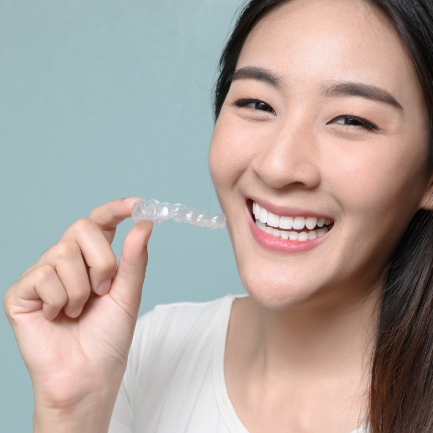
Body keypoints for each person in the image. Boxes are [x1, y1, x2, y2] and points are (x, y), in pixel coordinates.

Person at [4, 0, 433, 431]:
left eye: (352, 120)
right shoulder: (149, 349)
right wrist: (72, 412)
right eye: (258, 104)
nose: (277, 166)